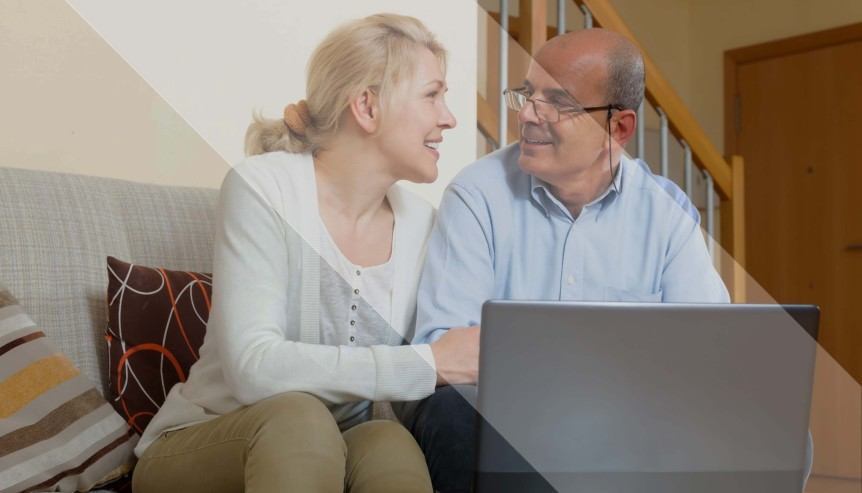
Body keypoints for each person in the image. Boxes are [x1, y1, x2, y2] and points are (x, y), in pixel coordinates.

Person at [132, 13, 478, 493]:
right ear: (367, 106)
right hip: (204, 442)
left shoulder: (422, 223)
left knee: (388, 442)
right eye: (432, 94)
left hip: (338, 444)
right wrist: (426, 364)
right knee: (299, 417)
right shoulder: (264, 187)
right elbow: (254, 368)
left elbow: (419, 388)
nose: (449, 117)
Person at [403, 28, 729, 492]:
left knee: (760, 433)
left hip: (629, 418)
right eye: (527, 94)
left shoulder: (667, 215)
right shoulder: (478, 194)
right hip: (511, 414)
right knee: (452, 412)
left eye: (559, 102)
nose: (530, 115)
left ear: (618, 128)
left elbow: (706, 351)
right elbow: (444, 345)